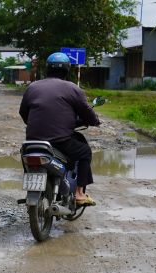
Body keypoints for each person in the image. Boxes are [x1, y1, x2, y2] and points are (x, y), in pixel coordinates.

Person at [18, 52, 101, 206]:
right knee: (84, 152)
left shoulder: (33, 87)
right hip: (60, 141)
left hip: (32, 141)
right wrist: (95, 120)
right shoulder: (72, 88)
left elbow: (23, 113)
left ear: (47, 69)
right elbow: (87, 112)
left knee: (26, 156)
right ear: (67, 70)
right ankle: (79, 194)